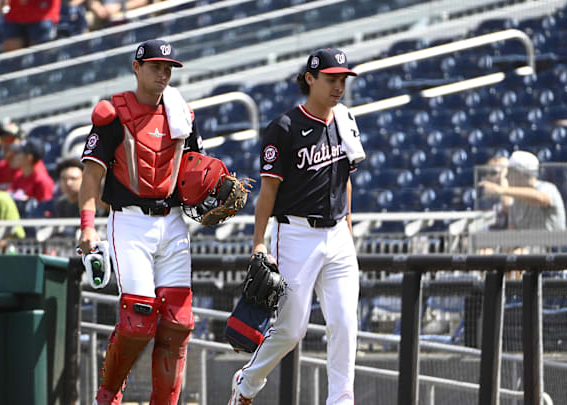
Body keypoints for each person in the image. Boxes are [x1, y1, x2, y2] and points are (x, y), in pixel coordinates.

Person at [228, 48, 365, 405]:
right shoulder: (285, 127)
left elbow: (345, 181)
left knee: (345, 324)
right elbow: (268, 189)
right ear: (310, 79)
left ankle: (341, 400)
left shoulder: (346, 120)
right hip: (296, 233)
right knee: (291, 330)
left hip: (337, 234)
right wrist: (259, 243)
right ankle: (247, 382)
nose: (339, 86)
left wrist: (347, 229)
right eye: (331, 79)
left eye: (343, 80)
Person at [78, 39, 202, 405]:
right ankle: (109, 394)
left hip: (174, 221)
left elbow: (195, 171)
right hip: (130, 222)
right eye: (155, 66)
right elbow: (90, 177)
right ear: (137, 68)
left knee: (178, 323)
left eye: (168, 68)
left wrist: (214, 190)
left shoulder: (182, 113)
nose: (163, 73)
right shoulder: (112, 113)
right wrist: (87, 225)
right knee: (138, 320)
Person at [479, 150, 566, 231]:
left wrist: (501, 190)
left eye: (509, 172)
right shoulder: (516, 200)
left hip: (551, 246)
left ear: (519, 174)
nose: (506, 176)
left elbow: (540, 198)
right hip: (524, 246)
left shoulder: (548, 188)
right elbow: (511, 237)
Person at [8, 137, 55, 203]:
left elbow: (45, 210)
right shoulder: (19, 176)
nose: (13, 156)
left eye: (18, 153)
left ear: (29, 158)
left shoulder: (43, 182)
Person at [0, 120, 24, 191]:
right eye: (2, 140)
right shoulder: (1, 167)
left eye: (10, 139)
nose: (5, 144)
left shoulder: (29, 166)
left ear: (21, 140)